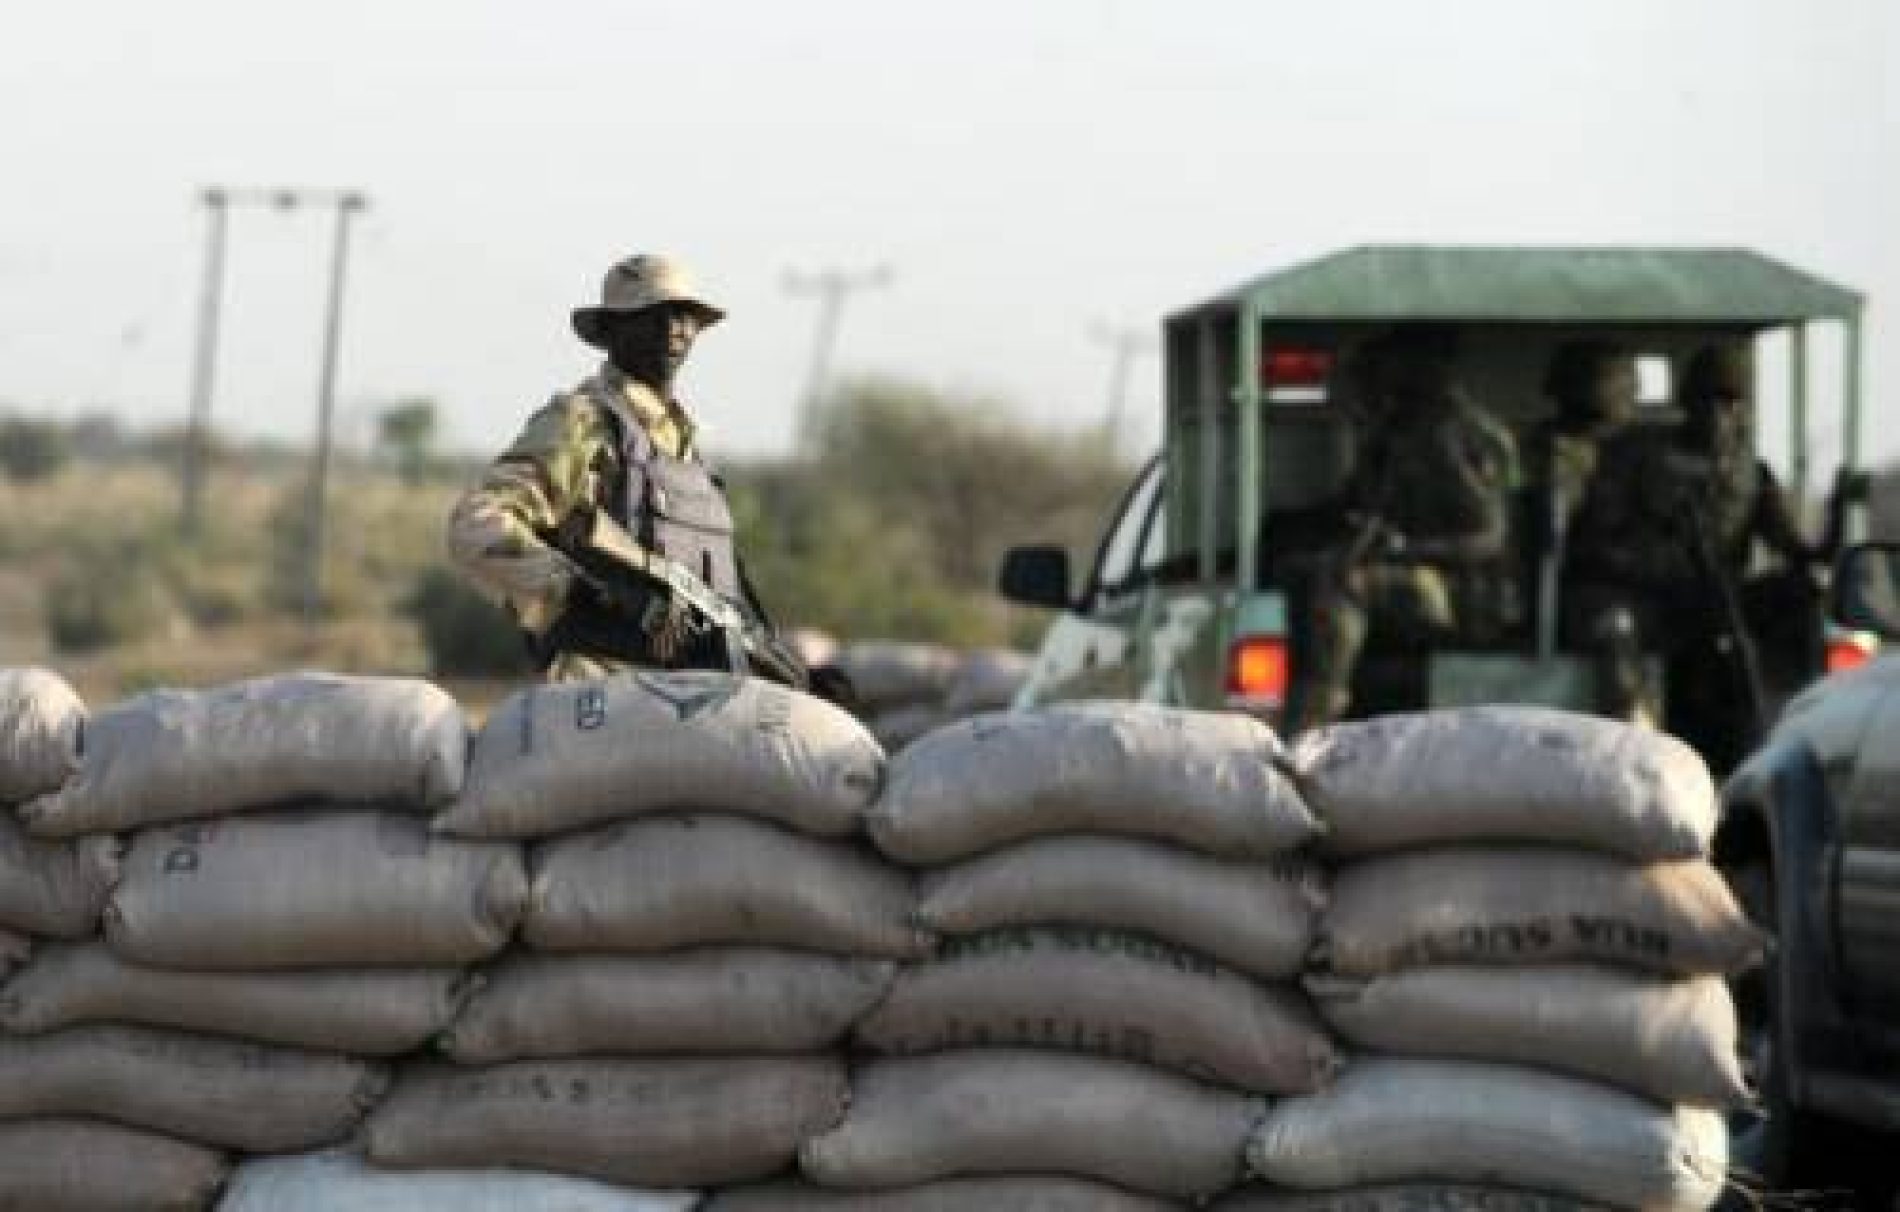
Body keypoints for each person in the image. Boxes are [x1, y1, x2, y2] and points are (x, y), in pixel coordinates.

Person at [447, 253, 806, 686]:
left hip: (694, 698)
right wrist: (586, 599)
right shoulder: (584, 423)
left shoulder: (688, 454)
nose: (675, 328)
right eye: (654, 314)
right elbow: (476, 526)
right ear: (613, 331)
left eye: (686, 316)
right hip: (605, 695)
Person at [1567, 340, 1848, 754]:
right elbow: (1590, 544)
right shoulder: (1638, 457)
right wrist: (1659, 565)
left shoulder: (1751, 474)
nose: (1719, 416)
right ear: (1688, 403)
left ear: (1744, 412)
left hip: (1720, 602)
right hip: (1647, 600)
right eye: (1709, 401)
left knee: (1802, 595)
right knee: (1616, 627)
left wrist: (1839, 511)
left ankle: (1802, 720)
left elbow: (1800, 551)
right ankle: (1628, 740)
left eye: (1731, 403)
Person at [1280, 326, 1520, 733]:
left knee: (1345, 582)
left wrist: (1405, 548)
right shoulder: (1396, 433)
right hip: (1421, 581)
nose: (1379, 376)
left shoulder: (1456, 437)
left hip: (1469, 594)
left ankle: (1316, 716)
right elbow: (1356, 506)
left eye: (1389, 365)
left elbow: (1489, 538)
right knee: (1306, 565)